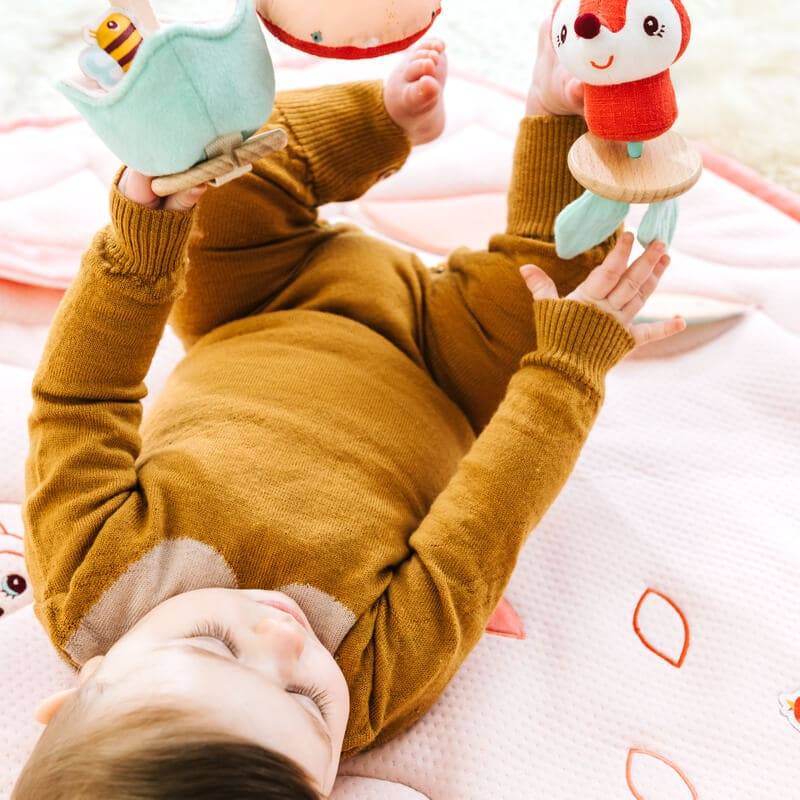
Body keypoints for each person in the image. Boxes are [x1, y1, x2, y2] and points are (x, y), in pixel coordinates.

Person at [14, 21, 684, 800]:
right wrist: (568, 369)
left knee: (216, 172)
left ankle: (389, 115)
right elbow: (486, 521)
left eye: (212, 649)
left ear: (83, 684)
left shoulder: (89, 580)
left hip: (262, 298)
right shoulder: (375, 680)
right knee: (560, 289)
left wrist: (144, 235)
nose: (281, 639)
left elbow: (80, 398)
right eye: (305, 703)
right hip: (450, 371)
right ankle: (555, 106)